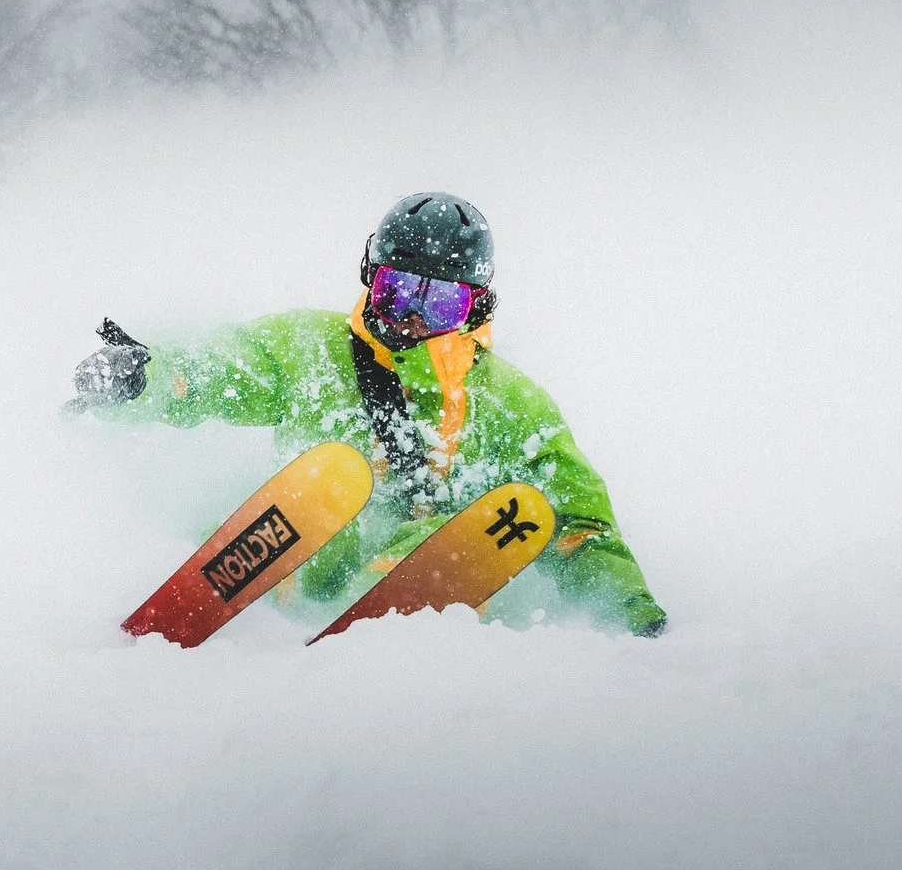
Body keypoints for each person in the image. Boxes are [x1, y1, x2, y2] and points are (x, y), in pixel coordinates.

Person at [71, 192, 668, 637]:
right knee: (333, 482)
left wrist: (636, 622)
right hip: (287, 568)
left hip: (421, 596)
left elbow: (585, 530)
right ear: (369, 278)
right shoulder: (313, 350)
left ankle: (390, 602)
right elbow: (223, 370)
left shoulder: (511, 406)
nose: (410, 314)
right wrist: (142, 380)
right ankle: (236, 592)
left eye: (439, 301)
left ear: (475, 308)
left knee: (448, 530)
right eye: (396, 289)